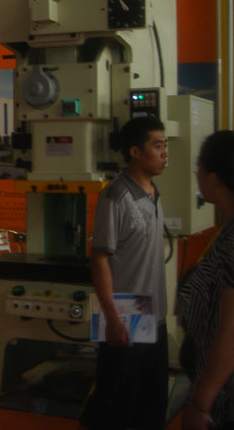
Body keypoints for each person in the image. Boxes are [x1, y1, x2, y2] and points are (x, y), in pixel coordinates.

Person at [78, 116, 169, 430]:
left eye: (165, 146)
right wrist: (113, 319)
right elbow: (99, 259)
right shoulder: (116, 196)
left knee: (152, 402)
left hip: (154, 316)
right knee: (116, 404)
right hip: (125, 319)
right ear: (135, 151)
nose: (165, 153)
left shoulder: (154, 192)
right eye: (157, 146)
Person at [177, 130, 234, 429]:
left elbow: (231, 329)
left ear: (213, 179)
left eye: (198, 168)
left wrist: (202, 401)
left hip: (224, 397)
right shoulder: (226, 231)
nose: (196, 176)